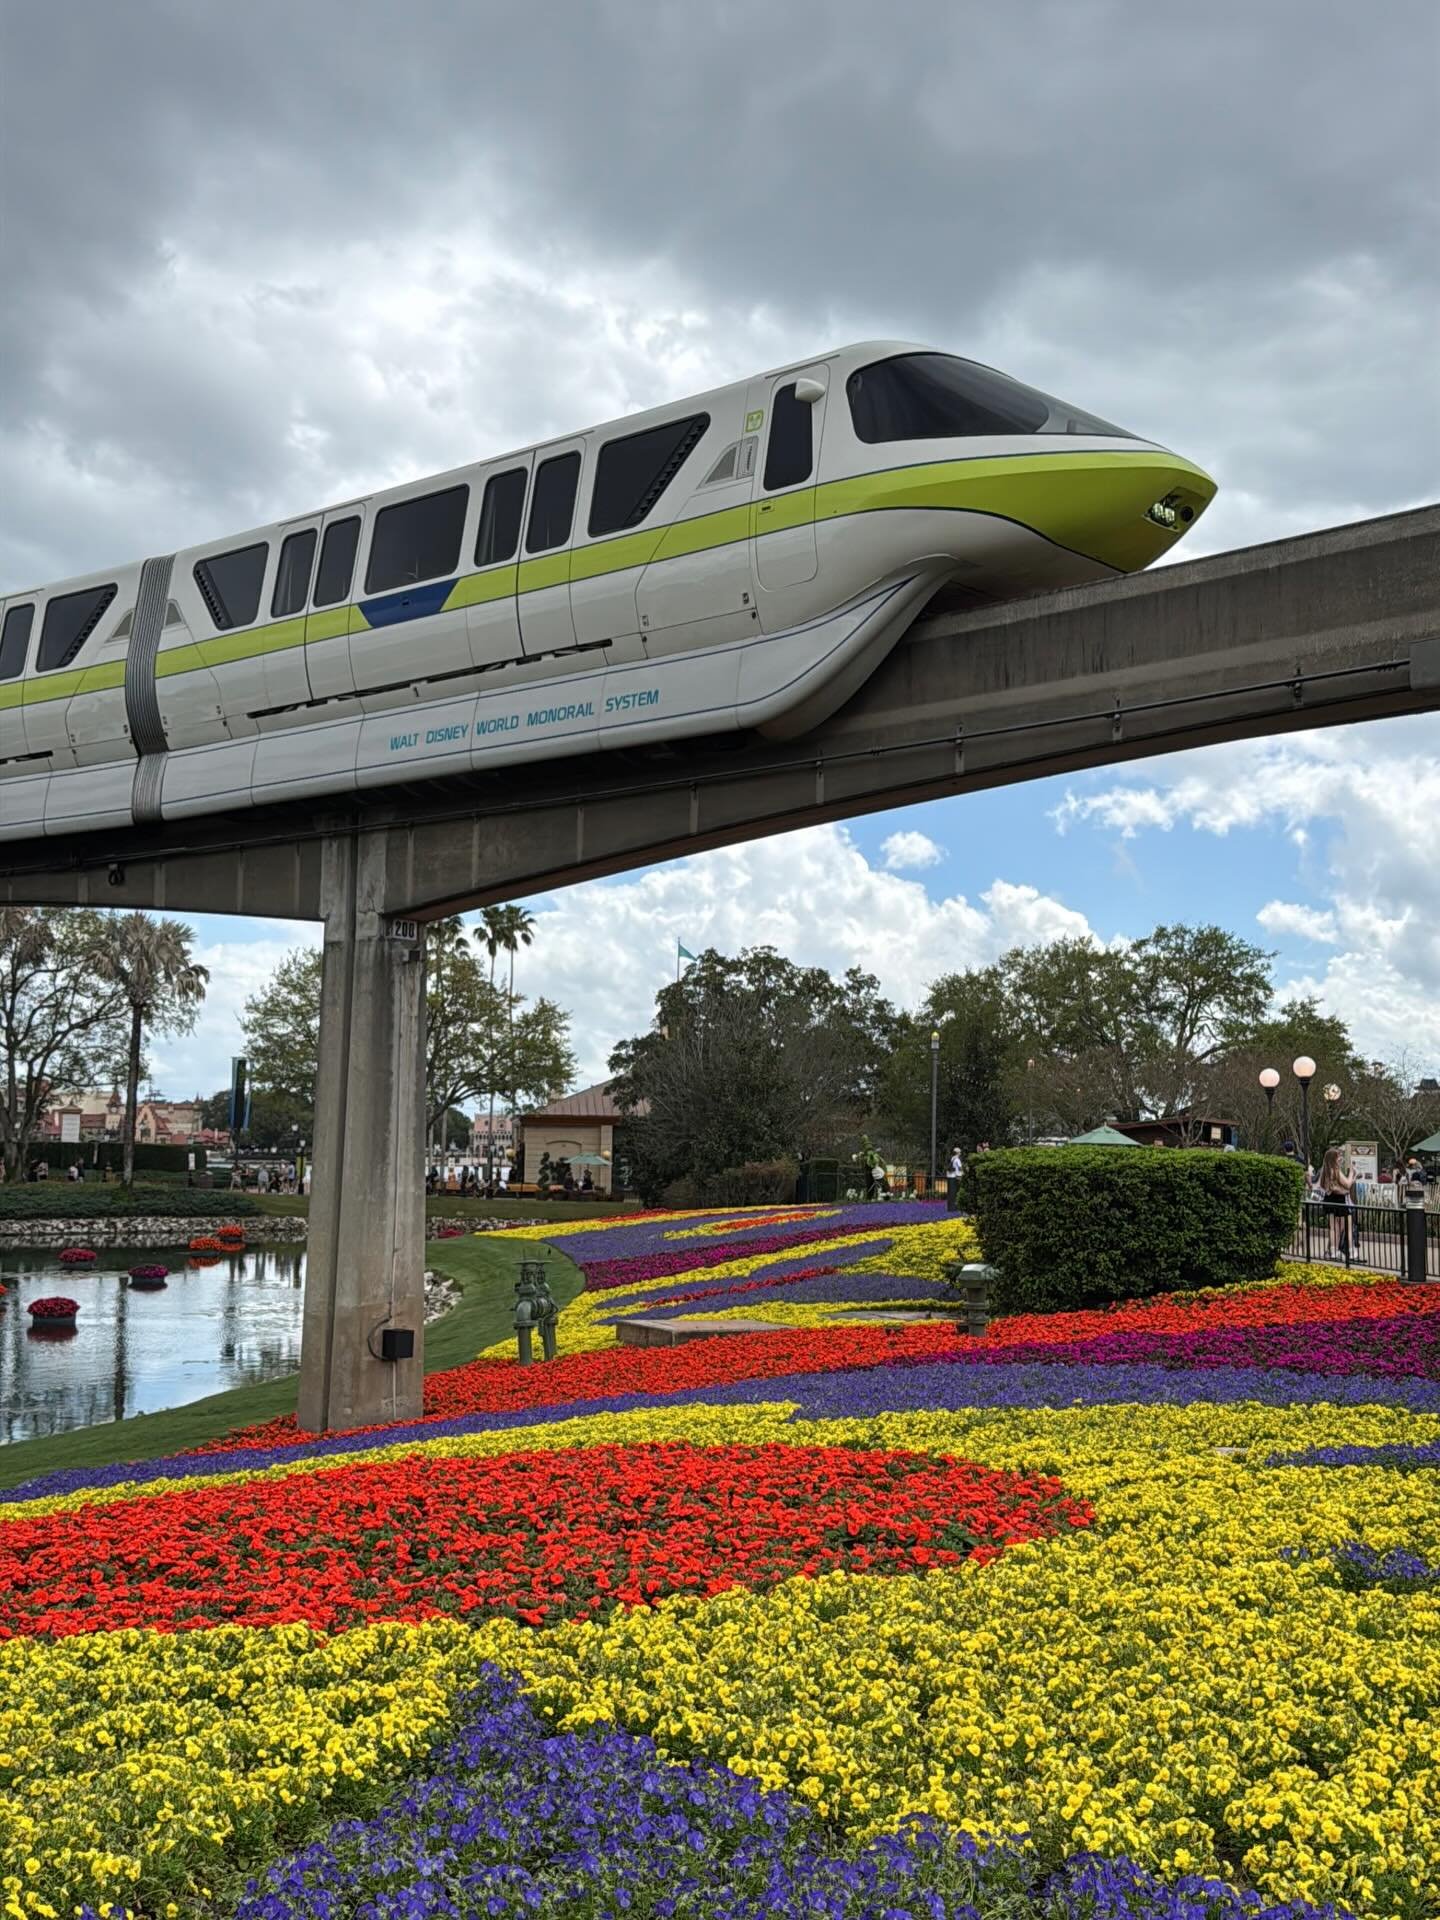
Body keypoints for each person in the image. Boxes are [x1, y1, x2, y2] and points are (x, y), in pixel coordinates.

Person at [1317, 1146, 1355, 1260]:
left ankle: (1333, 1250)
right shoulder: (1336, 1170)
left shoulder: (1325, 1170)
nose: (1340, 1158)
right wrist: (1352, 1174)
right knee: (1342, 1226)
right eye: (1338, 1156)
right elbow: (1347, 1184)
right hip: (1338, 1200)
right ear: (1334, 1158)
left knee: (1333, 1228)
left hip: (1328, 1199)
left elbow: (1323, 1186)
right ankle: (1344, 1251)